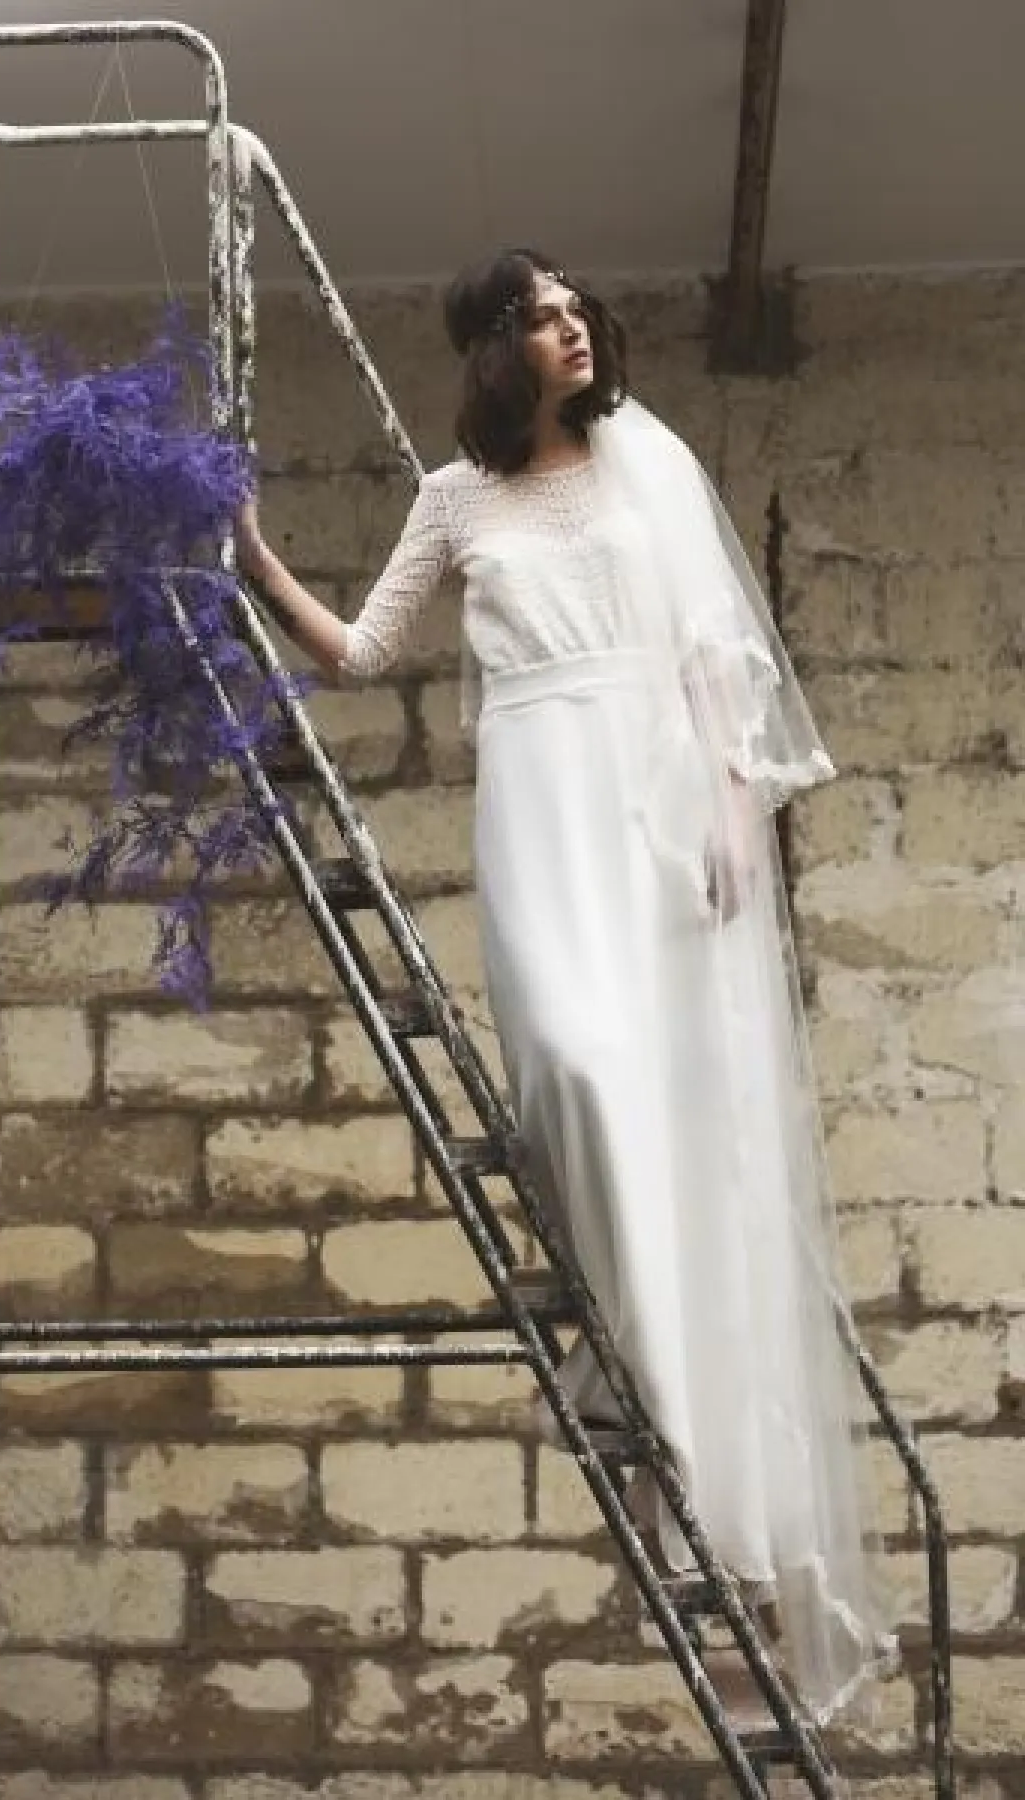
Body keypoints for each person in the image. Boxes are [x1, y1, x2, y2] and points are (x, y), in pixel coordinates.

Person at [233, 246, 898, 1724]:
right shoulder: (454, 501)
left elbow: (712, 657)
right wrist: (256, 564)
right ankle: (651, 1433)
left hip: (652, 809)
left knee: (686, 1156)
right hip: (538, 816)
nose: (572, 325)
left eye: (575, 305)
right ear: (496, 349)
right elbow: (364, 654)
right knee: (581, 1089)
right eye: (539, 316)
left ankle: (725, 1538)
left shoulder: (642, 464)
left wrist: (736, 809)